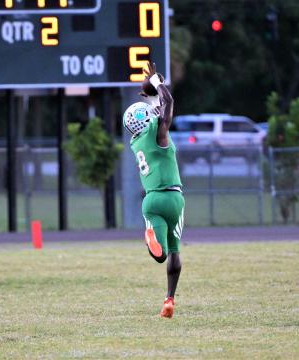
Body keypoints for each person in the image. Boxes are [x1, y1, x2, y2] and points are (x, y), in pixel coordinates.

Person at [123, 62, 184, 318]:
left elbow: (156, 112)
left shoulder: (136, 141)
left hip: (152, 200)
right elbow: (167, 104)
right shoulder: (158, 134)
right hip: (175, 198)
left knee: (159, 256)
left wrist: (150, 97)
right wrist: (158, 83)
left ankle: (150, 237)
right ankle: (169, 298)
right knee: (175, 252)